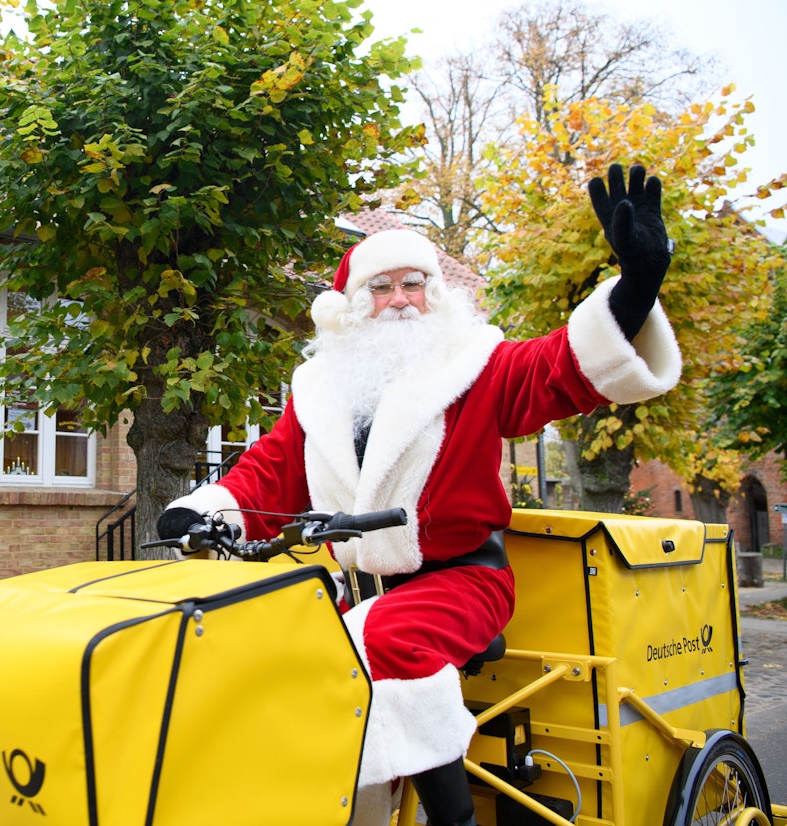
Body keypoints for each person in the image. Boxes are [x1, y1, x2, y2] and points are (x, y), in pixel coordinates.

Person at [159, 164, 681, 826]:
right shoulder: (320, 388)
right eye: (381, 288)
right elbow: (269, 467)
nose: (402, 299)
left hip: (462, 579)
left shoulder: (476, 365)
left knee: (387, 642)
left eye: (415, 284)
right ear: (352, 306)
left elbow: (557, 369)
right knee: (260, 649)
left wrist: (636, 284)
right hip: (353, 588)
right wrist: (205, 511)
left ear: (434, 294)